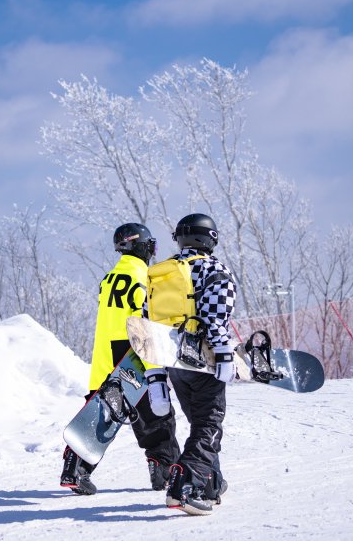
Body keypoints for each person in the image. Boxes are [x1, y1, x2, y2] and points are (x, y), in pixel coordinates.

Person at [60, 223, 181, 495]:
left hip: (105, 355)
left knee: (102, 413)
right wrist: (155, 364)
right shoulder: (146, 278)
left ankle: (74, 466)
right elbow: (145, 320)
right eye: (151, 246)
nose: (153, 252)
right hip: (133, 353)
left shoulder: (109, 278)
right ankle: (162, 469)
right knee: (157, 416)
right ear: (142, 246)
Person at [145, 213, 237, 516]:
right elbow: (214, 317)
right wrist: (224, 352)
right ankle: (183, 486)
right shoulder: (213, 268)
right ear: (210, 238)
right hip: (203, 361)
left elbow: (148, 322)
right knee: (209, 424)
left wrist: (156, 375)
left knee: (198, 424)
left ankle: (209, 483)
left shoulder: (160, 274)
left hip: (172, 362)